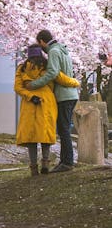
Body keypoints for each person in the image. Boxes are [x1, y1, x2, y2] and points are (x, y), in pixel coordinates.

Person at [15, 44, 80, 176]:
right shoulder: (46, 66)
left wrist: (30, 95)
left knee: (30, 136)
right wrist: (75, 82)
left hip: (29, 103)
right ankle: (45, 163)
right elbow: (60, 78)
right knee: (45, 133)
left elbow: (17, 87)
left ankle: (33, 167)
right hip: (47, 101)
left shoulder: (22, 68)